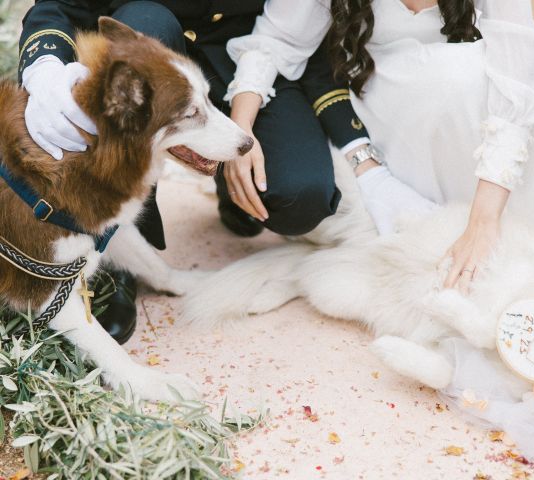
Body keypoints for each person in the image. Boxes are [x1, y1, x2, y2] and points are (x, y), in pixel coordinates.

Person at [17, 0, 371, 342]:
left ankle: (228, 184)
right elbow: (61, 5)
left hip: (249, 53)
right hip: (150, 51)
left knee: (300, 197)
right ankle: (117, 252)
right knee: (144, 24)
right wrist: (44, 68)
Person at [224, 0, 534, 293]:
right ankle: (454, 244)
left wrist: (483, 221)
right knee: (454, 79)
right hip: (384, 96)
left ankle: (516, 250)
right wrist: (241, 133)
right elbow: (274, 43)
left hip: (469, 98)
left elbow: (519, 80)